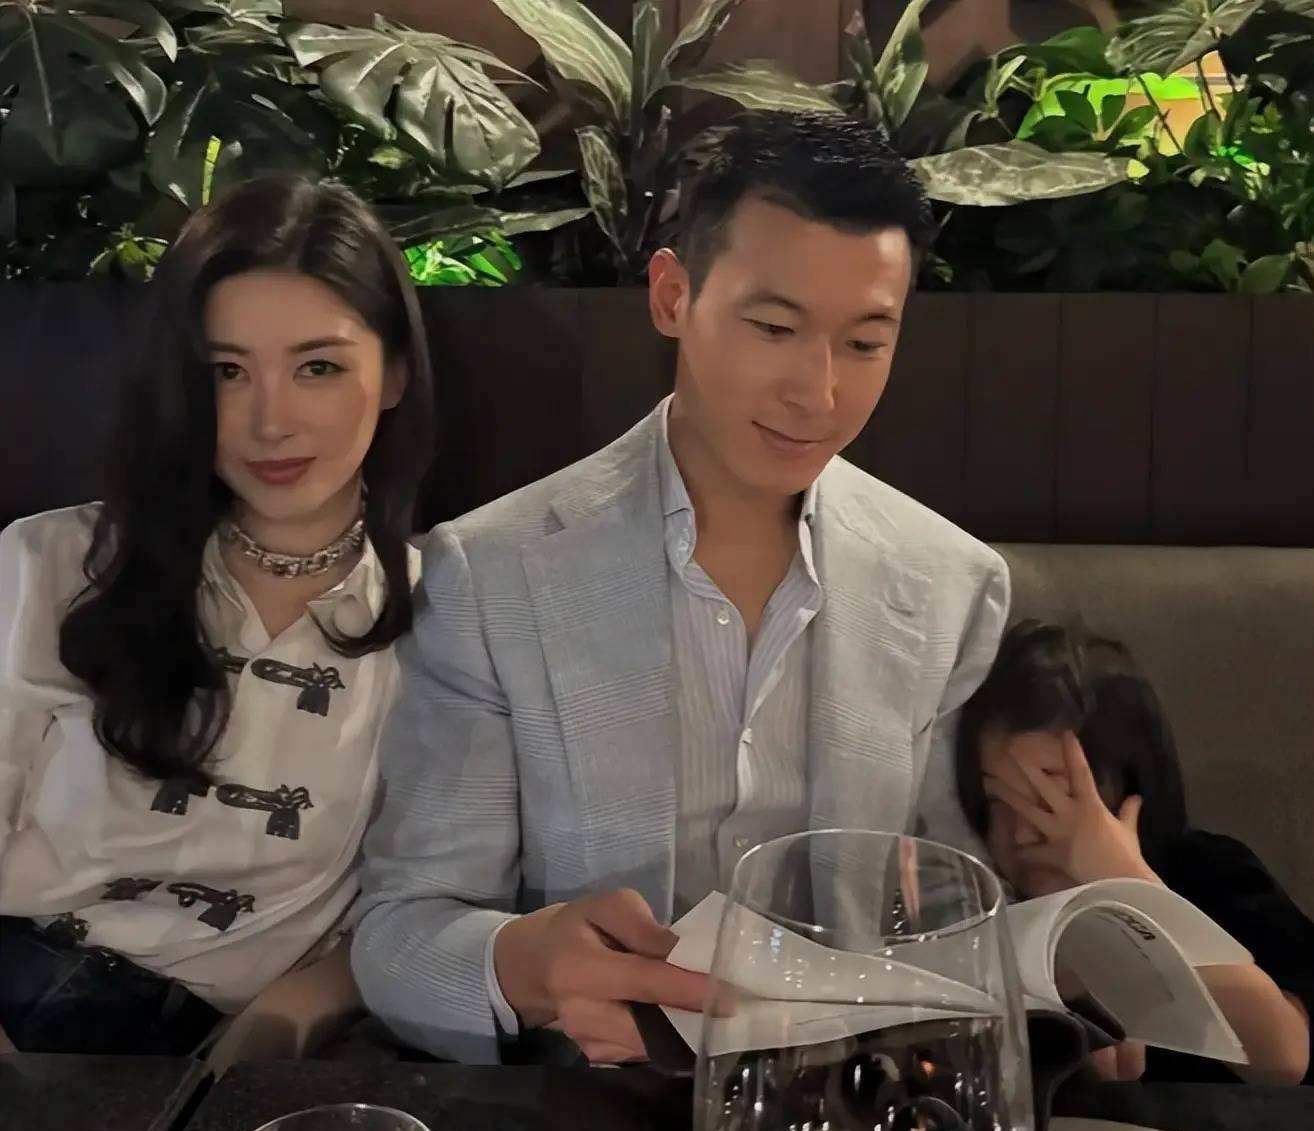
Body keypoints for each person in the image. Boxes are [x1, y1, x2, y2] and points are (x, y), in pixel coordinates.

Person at [353, 111, 1011, 1064]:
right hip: (596, 1099)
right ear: (672, 295)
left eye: (866, 343)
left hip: (849, 1093)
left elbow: (955, 904)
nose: (818, 393)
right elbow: (400, 932)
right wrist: (525, 964)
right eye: (774, 327)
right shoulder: (493, 574)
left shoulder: (953, 584)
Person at [0, 174, 433, 1060]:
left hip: (223, 1047)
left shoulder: (449, 614)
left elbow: (428, 903)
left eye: (318, 367)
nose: (271, 422)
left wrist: (277, 1034)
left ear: (392, 373)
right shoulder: (51, 564)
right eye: (226, 372)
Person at [957, 619, 1314, 1085]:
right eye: (999, 802)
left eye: (1052, 798)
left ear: (1129, 782)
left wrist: (1129, 884)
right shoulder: (986, 917)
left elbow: (1287, 1056)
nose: (1022, 832)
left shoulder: (1208, 871)